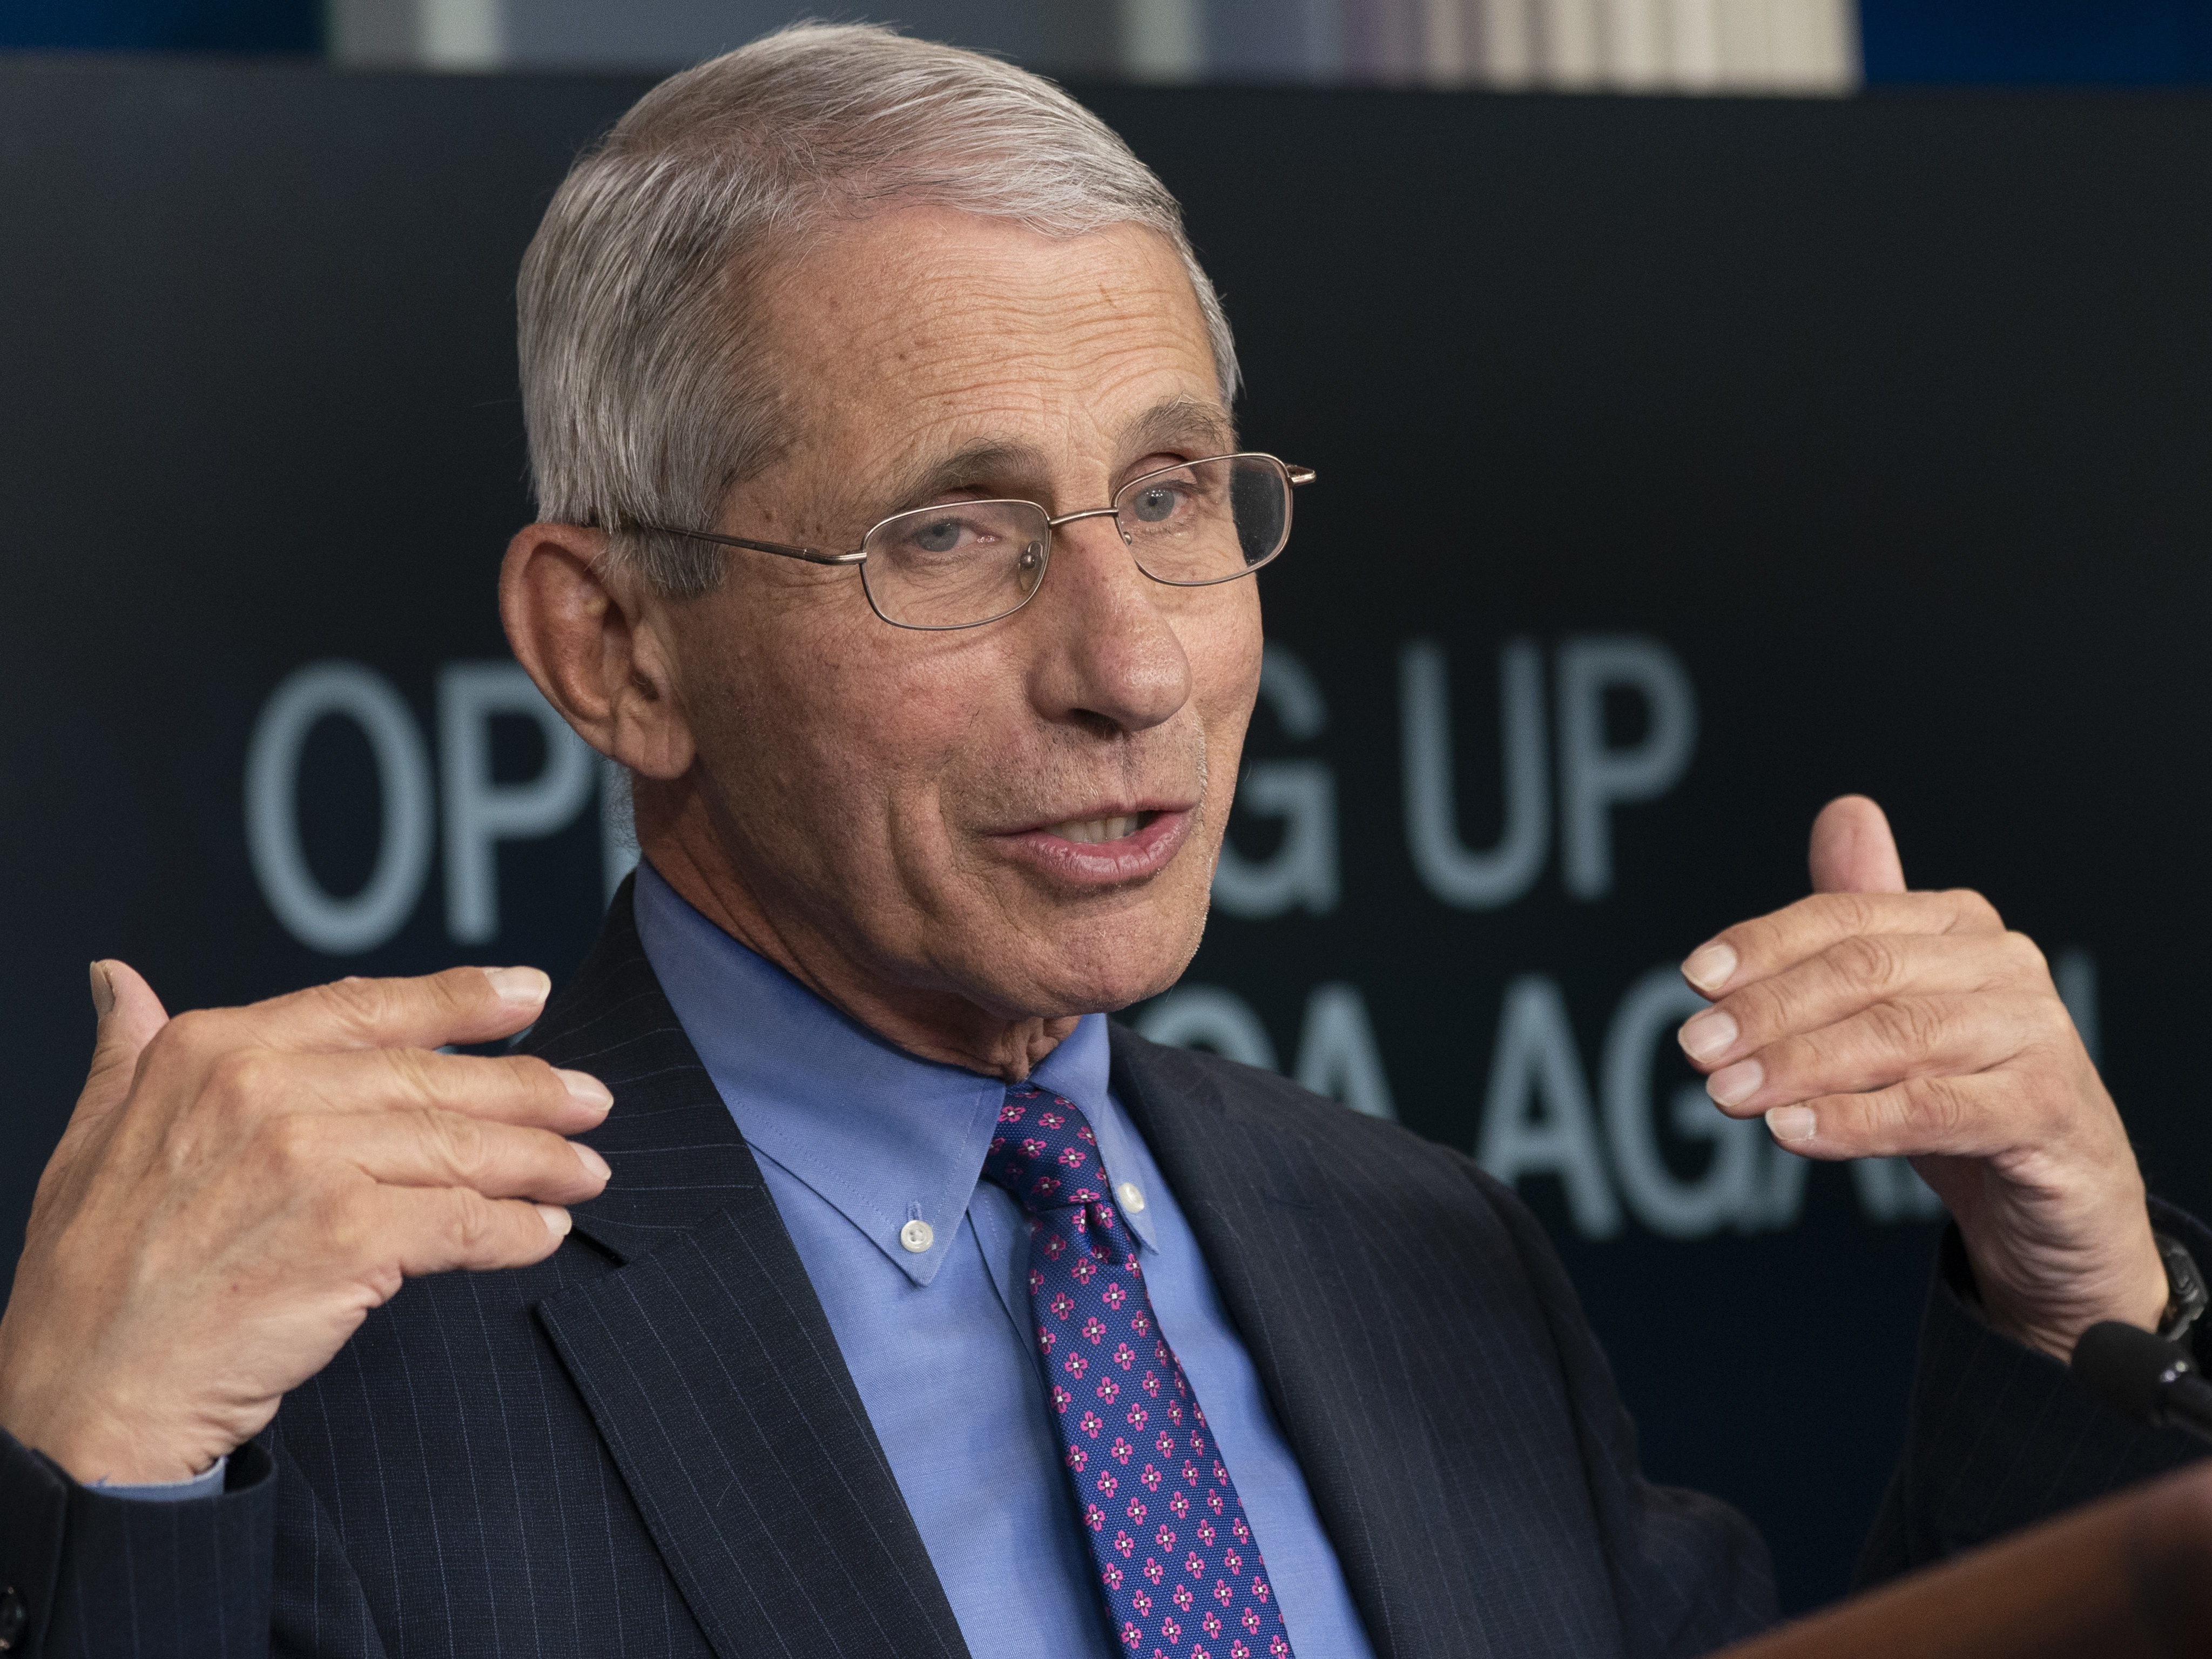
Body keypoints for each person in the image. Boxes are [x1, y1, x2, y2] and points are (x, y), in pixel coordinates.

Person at [0, 23, 2203, 1659]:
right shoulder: (323, 1365)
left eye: (1168, 496)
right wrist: (98, 1482)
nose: (1132, 664)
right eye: (946, 534)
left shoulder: (1420, 1252)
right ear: (617, 648)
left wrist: (2075, 1308)